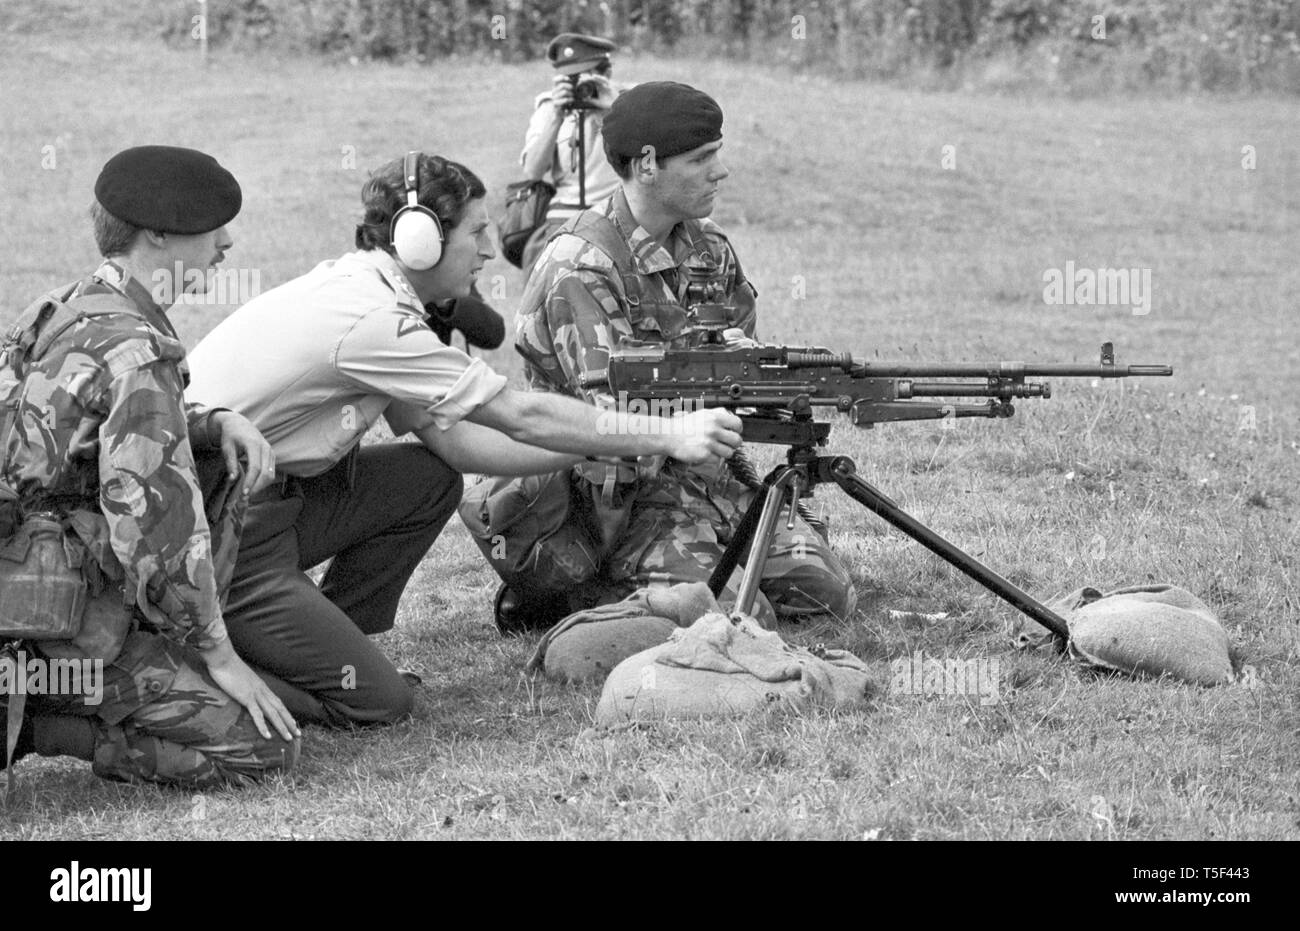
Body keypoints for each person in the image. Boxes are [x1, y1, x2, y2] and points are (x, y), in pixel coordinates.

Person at [184, 151, 743, 729]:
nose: (487, 249)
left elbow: (456, 446)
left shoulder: (368, 294)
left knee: (423, 478)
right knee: (380, 703)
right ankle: (198, 672)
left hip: (251, 509)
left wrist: (617, 442)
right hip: (217, 540)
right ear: (419, 238)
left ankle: (322, 637)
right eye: (476, 232)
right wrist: (665, 433)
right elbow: (517, 414)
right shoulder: (370, 320)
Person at [499, 81, 858, 632]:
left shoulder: (708, 248)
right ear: (646, 165)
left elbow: (739, 370)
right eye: (701, 158)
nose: (721, 170)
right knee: (742, 615)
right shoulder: (582, 266)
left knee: (829, 598)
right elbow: (605, 421)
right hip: (612, 502)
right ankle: (579, 591)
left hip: (708, 478)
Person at [0, 146, 299, 788]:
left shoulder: (68, 306)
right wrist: (218, 654)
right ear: (157, 233)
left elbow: (77, 422)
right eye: (208, 223)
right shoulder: (136, 350)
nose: (225, 242)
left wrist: (210, 421)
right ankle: (31, 722)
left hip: (25, 580)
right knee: (261, 748)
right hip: (44, 614)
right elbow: (155, 530)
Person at [515, 32, 623, 276]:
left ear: (606, 73)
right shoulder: (548, 107)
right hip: (563, 216)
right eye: (570, 79)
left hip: (613, 212)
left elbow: (645, 156)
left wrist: (612, 111)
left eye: (584, 77)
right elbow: (533, 171)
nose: (578, 87)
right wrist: (556, 116)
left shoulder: (625, 101)